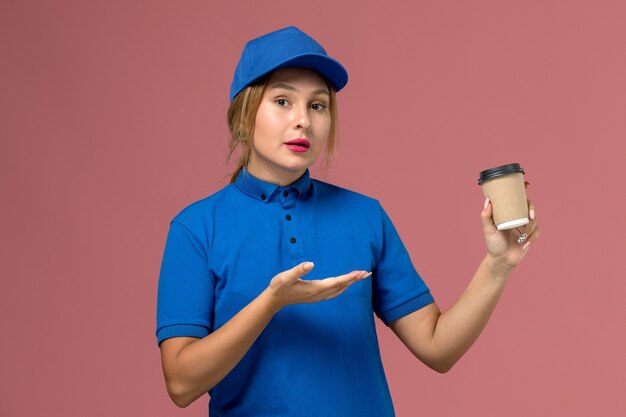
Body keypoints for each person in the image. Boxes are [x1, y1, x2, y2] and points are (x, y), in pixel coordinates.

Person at [156, 26, 539, 416]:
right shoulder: (196, 229)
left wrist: (498, 265)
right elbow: (181, 384)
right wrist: (271, 303)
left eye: (318, 105)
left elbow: (437, 348)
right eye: (283, 101)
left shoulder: (364, 216)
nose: (303, 120)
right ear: (243, 113)